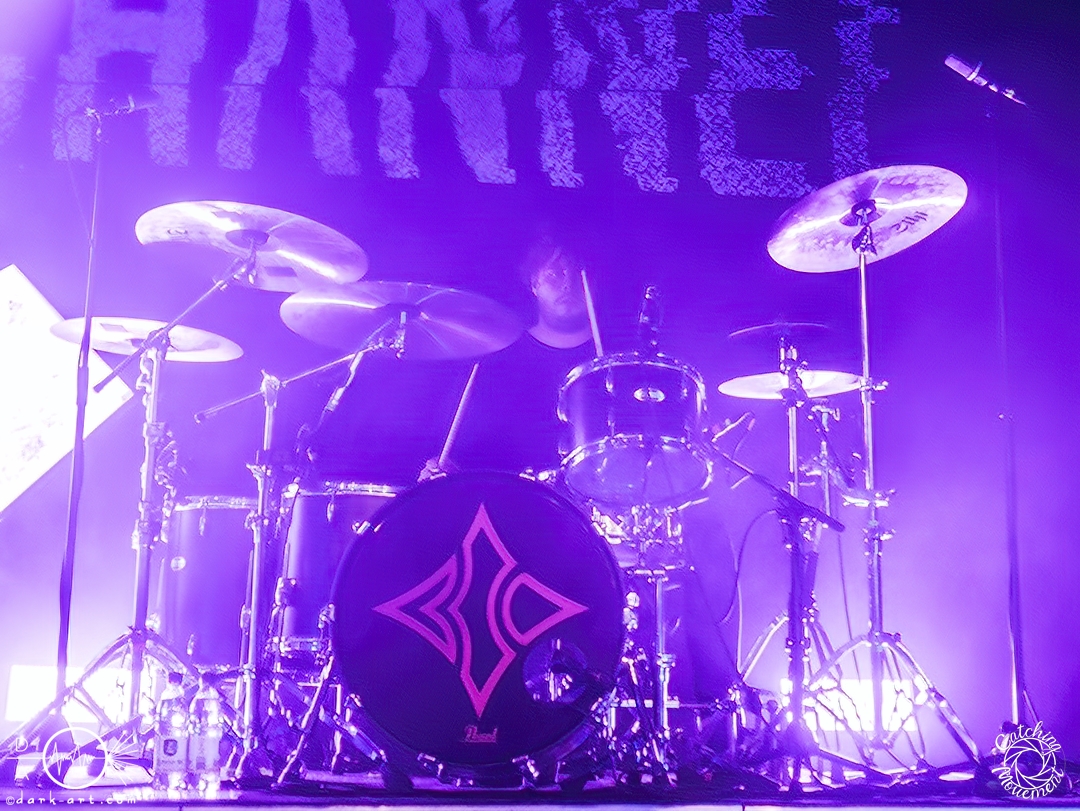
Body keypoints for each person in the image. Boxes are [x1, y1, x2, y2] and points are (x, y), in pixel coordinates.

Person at [430, 235, 597, 476]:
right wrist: (444, 471)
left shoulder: (615, 359)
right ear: (533, 285)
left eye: (578, 275)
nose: (567, 285)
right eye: (554, 274)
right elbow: (462, 453)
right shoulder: (496, 359)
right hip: (511, 494)